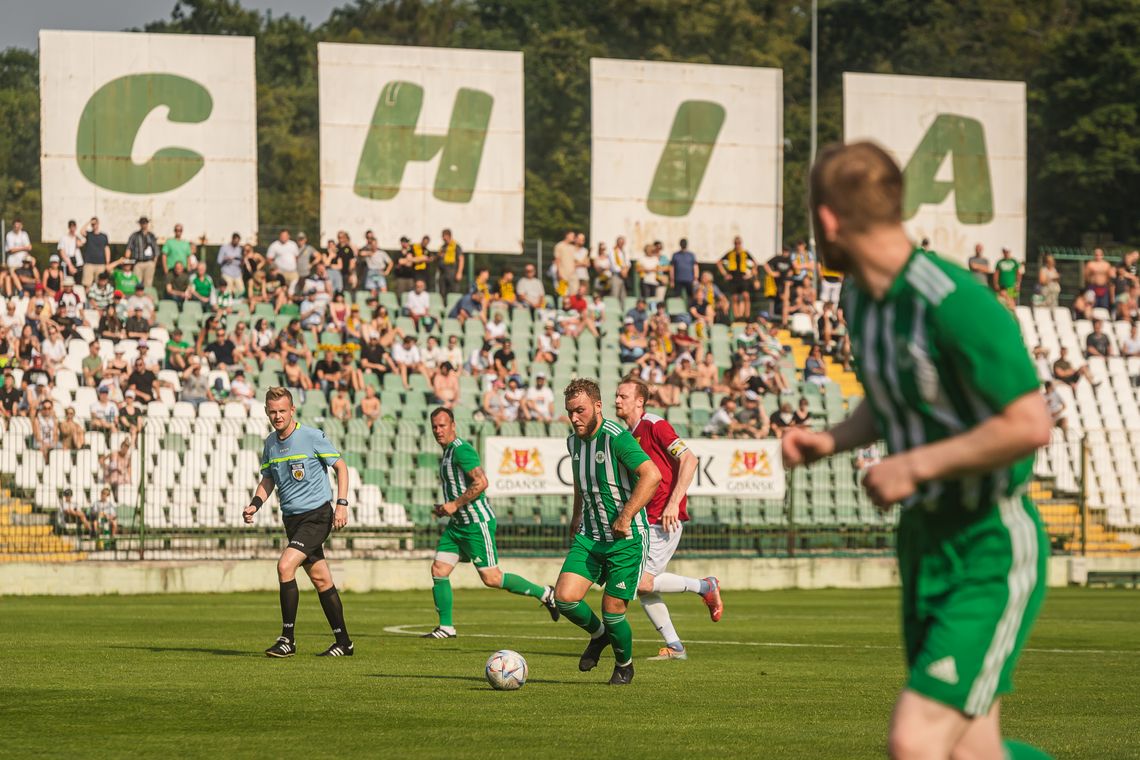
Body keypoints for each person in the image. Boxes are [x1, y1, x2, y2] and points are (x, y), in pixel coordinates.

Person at [783, 141, 1051, 760]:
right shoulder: (859, 300)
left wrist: (915, 464)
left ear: (826, 218)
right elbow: (889, 398)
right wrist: (831, 439)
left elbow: (1030, 424)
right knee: (972, 751)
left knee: (915, 740)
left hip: (988, 541)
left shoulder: (954, 301)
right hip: (925, 544)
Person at [553, 378, 662, 685]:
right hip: (590, 536)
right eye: (570, 412)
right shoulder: (573, 442)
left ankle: (624, 665)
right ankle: (599, 636)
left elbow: (651, 475)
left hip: (625, 540)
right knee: (564, 599)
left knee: (613, 612)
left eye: (580, 411)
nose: (574, 418)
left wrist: (626, 515)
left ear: (598, 407)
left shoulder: (616, 437)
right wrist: (576, 517)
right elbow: (579, 480)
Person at [421, 407, 559, 638]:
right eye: (434, 426)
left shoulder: (461, 451)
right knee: (439, 569)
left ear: (453, 426)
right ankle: (446, 627)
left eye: (442, 425)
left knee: (492, 578)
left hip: (476, 524)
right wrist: (447, 509)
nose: (438, 430)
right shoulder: (446, 453)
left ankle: (545, 593)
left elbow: (482, 482)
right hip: (457, 526)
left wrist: (454, 504)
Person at [614, 376, 722, 661]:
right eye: (616, 395)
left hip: (663, 518)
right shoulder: (626, 435)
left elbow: (689, 459)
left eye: (623, 396)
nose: (617, 400)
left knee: (641, 583)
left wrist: (674, 503)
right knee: (644, 585)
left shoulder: (655, 425)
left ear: (640, 400)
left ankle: (705, 587)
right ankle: (675, 647)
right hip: (643, 519)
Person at [245, 387, 354, 658]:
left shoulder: (311, 437)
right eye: (273, 411)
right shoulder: (270, 443)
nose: (278, 416)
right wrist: (254, 505)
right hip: (291, 519)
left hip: (317, 516)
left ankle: (287, 639)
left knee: (285, 566)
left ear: (292, 410)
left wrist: (341, 504)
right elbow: (268, 479)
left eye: (282, 410)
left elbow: (341, 466)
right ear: (267, 412)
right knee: (321, 578)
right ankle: (344, 642)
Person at [717, 236, 757, 320]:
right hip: (733, 277)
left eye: (739, 243)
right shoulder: (730, 253)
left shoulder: (745, 253)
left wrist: (751, 274)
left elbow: (755, 263)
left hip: (743, 277)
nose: (737, 245)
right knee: (735, 298)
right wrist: (725, 274)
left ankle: (747, 316)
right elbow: (719, 262)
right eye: (736, 243)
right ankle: (737, 317)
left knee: (746, 296)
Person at [125, 216, 159, 288]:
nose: (144, 225)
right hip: (138, 262)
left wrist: (154, 263)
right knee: (137, 282)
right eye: (142, 223)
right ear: (140, 224)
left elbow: (156, 250)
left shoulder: (151, 235)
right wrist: (127, 261)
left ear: (147, 224)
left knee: (148, 283)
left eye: (145, 223)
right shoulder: (134, 235)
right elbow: (129, 248)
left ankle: (147, 298)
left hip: (149, 262)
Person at [436, 228, 464, 296]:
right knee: (442, 292)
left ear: (449, 236)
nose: (443, 238)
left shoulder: (456, 246)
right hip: (442, 272)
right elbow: (438, 259)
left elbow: (461, 259)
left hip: (452, 271)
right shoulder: (443, 247)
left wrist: (459, 273)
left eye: (444, 236)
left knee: (453, 291)